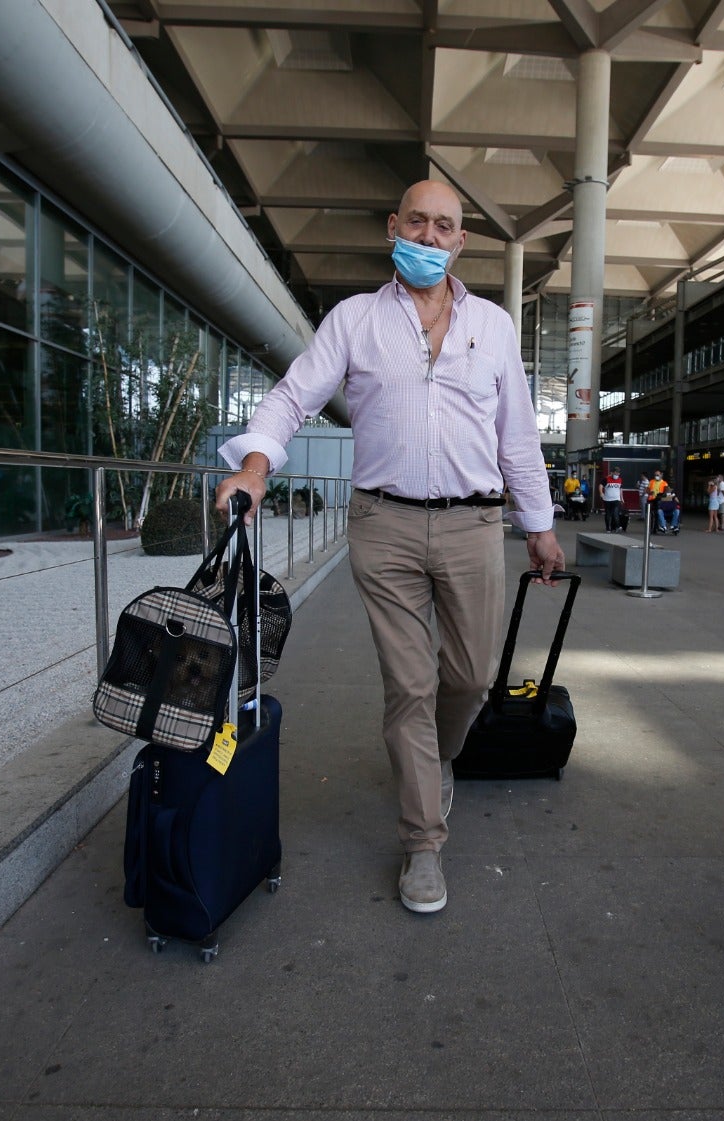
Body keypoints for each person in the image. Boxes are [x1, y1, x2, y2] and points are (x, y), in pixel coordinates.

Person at [215, 180, 566, 916]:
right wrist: (254, 466)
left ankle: (433, 760)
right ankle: (422, 841)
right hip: (386, 526)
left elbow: (518, 436)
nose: (430, 237)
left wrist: (539, 525)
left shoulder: (494, 326)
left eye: (445, 226)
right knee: (410, 685)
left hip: (474, 525)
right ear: (392, 228)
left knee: (468, 677)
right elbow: (293, 395)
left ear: (461, 241)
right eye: (418, 222)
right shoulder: (354, 321)